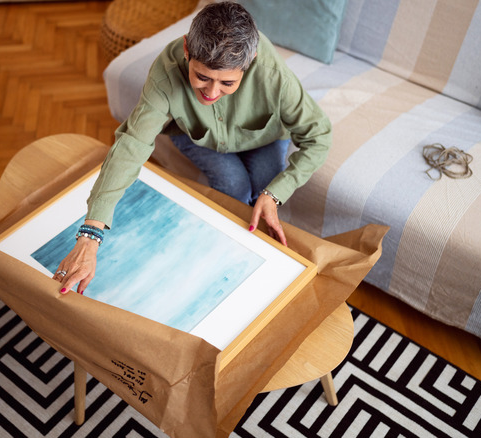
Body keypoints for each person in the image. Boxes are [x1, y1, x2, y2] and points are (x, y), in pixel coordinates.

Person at [54, 2, 331, 294]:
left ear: (250, 62)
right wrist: (90, 234)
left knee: (266, 195)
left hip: (262, 137)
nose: (212, 93)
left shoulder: (273, 74)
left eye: (227, 82)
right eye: (202, 77)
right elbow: (132, 144)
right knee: (233, 187)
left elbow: (319, 136)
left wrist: (275, 193)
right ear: (187, 50)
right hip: (197, 136)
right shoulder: (166, 71)